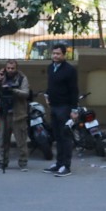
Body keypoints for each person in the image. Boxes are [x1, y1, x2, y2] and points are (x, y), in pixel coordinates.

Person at [0, 59, 30, 171]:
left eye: (12, 68)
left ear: (16, 68)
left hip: (18, 115)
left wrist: (13, 90)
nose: (10, 70)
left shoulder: (22, 78)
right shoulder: (2, 78)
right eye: (8, 68)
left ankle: (23, 163)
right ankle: (2, 162)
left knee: (21, 141)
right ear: (5, 68)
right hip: (3, 114)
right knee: (3, 140)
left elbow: (26, 93)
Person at [43, 43, 78, 177]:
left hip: (65, 107)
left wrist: (74, 109)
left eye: (58, 54)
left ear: (64, 55)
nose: (55, 56)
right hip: (54, 106)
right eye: (54, 53)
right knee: (57, 137)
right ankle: (58, 164)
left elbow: (74, 90)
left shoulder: (70, 70)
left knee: (65, 137)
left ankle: (66, 166)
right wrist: (47, 94)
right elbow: (51, 85)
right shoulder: (51, 67)